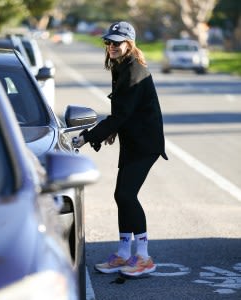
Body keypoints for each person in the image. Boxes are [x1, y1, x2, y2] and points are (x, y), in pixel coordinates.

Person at [73, 21, 168, 277]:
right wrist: (113, 130)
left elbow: (123, 113)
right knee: (121, 195)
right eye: (108, 42)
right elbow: (125, 111)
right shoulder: (121, 67)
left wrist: (87, 137)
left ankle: (144, 257)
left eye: (117, 42)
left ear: (129, 44)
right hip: (133, 140)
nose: (111, 47)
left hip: (145, 143)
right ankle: (124, 254)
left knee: (127, 195)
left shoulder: (134, 69)